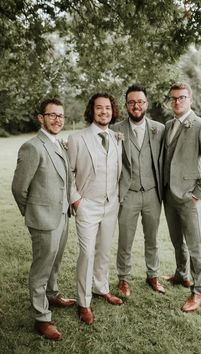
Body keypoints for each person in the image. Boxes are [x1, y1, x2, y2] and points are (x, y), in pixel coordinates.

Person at [12, 98, 80, 340]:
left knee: (55, 262)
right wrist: (33, 213)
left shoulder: (58, 145)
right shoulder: (32, 147)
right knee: (41, 268)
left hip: (62, 217)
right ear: (41, 118)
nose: (57, 119)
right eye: (52, 115)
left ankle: (52, 295)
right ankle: (41, 317)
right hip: (43, 219)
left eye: (60, 115)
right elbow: (19, 188)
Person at [67, 93, 123, 325]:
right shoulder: (77, 138)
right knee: (88, 253)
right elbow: (68, 172)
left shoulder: (116, 137)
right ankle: (84, 302)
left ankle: (101, 288)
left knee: (104, 251)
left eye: (108, 108)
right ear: (92, 111)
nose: (104, 112)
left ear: (113, 111)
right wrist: (76, 200)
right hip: (87, 205)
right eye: (99, 108)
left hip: (111, 205)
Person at [163, 82, 201, 312]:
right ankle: (181, 274)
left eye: (182, 97)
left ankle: (198, 290)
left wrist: (197, 194)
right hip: (169, 194)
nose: (177, 101)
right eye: (173, 98)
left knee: (195, 246)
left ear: (190, 99)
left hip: (189, 198)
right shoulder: (167, 125)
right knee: (177, 241)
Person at [111, 84, 165, 297]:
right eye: (132, 102)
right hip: (128, 193)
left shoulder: (159, 129)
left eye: (140, 101)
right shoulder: (116, 130)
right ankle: (123, 279)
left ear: (146, 104)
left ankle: (153, 275)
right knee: (125, 239)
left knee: (152, 238)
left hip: (152, 193)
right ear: (126, 105)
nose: (136, 105)